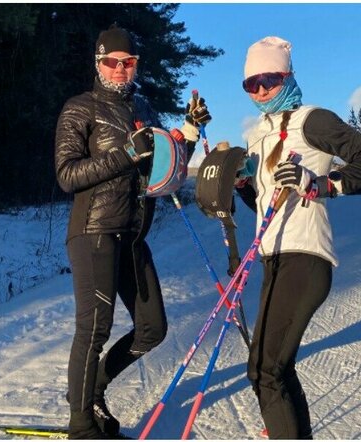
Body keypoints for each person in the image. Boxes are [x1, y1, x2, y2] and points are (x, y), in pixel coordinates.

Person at [54, 24, 211, 439]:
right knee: (94, 328)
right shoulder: (80, 108)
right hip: (94, 232)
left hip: (133, 236)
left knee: (152, 328)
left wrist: (190, 133)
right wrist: (126, 154)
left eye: (129, 62)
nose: (121, 69)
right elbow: (67, 175)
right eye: (112, 62)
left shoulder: (143, 107)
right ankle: (81, 426)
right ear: (99, 63)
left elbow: (168, 168)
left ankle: (94, 387)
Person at [233, 36, 361, 439]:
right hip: (274, 259)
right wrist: (243, 186)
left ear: (288, 76)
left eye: (269, 79)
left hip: (305, 257)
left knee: (265, 371)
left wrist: (321, 184)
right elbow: (268, 210)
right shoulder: (257, 135)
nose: (261, 90)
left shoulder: (312, 120)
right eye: (251, 84)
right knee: (271, 369)